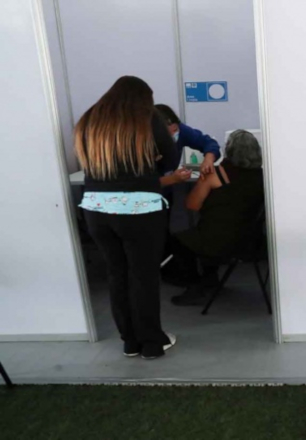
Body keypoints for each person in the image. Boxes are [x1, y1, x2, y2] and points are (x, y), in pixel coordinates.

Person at [75, 76, 189, 360]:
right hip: (139, 208)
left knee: (117, 274)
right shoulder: (146, 117)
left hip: (96, 209)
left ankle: (130, 342)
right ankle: (152, 343)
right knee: (143, 276)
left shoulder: (89, 120)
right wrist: (150, 163)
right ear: (144, 98)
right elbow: (170, 160)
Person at [168, 130, 265, 306]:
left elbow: (192, 205)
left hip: (217, 241)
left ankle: (196, 287)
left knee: (180, 240)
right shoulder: (264, 177)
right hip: (251, 241)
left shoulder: (216, 174)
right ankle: (210, 278)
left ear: (229, 150)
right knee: (210, 232)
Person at [154, 104, 221, 174]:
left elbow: (208, 142)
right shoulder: (148, 144)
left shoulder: (182, 131)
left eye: (176, 129)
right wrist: (172, 178)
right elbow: (149, 179)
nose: (175, 134)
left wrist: (208, 159)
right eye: (169, 133)